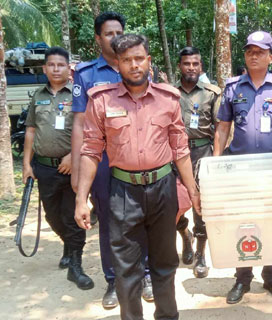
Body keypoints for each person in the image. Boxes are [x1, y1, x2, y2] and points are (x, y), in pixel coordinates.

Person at [75, 34, 199, 320]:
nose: (134, 65)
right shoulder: (101, 100)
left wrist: (192, 190)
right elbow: (91, 151)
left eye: (139, 59)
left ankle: (167, 316)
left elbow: (180, 148)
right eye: (127, 60)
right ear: (117, 63)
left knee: (165, 262)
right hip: (122, 191)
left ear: (149, 61)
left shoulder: (168, 99)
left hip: (162, 189)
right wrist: (81, 198)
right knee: (126, 268)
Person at [70, 11, 153, 308]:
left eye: (119, 32)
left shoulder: (138, 66)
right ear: (98, 38)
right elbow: (80, 123)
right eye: (109, 33)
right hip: (103, 161)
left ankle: (144, 274)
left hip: (136, 158)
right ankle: (112, 280)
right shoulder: (86, 73)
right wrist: (79, 168)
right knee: (109, 221)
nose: (115, 37)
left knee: (141, 218)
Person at [213, 30, 272, 305]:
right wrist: (215, 166)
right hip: (241, 170)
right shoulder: (232, 88)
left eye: (260, 51)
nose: (254, 55)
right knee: (242, 222)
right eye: (250, 50)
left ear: (271, 57)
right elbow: (223, 128)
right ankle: (242, 278)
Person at [22, 47, 94, 290]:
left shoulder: (77, 93)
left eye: (60, 65)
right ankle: (69, 245)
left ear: (68, 68)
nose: (55, 69)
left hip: (73, 167)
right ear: (44, 68)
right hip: (44, 168)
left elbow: (88, 130)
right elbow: (31, 130)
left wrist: (72, 157)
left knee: (73, 215)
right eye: (51, 65)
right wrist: (26, 165)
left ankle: (76, 265)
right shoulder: (37, 96)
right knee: (53, 215)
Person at [173, 46, 222, 277]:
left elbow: (222, 128)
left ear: (200, 67)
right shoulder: (169, 93)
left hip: (202, 153)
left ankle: (201, 253)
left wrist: (216, 160)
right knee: (173, 203)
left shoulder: (212, 93)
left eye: (195, 64)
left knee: (201, 205)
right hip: (174, 156)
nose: (191, 67)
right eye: (186, 64)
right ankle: (184, 235)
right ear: (179, 66)